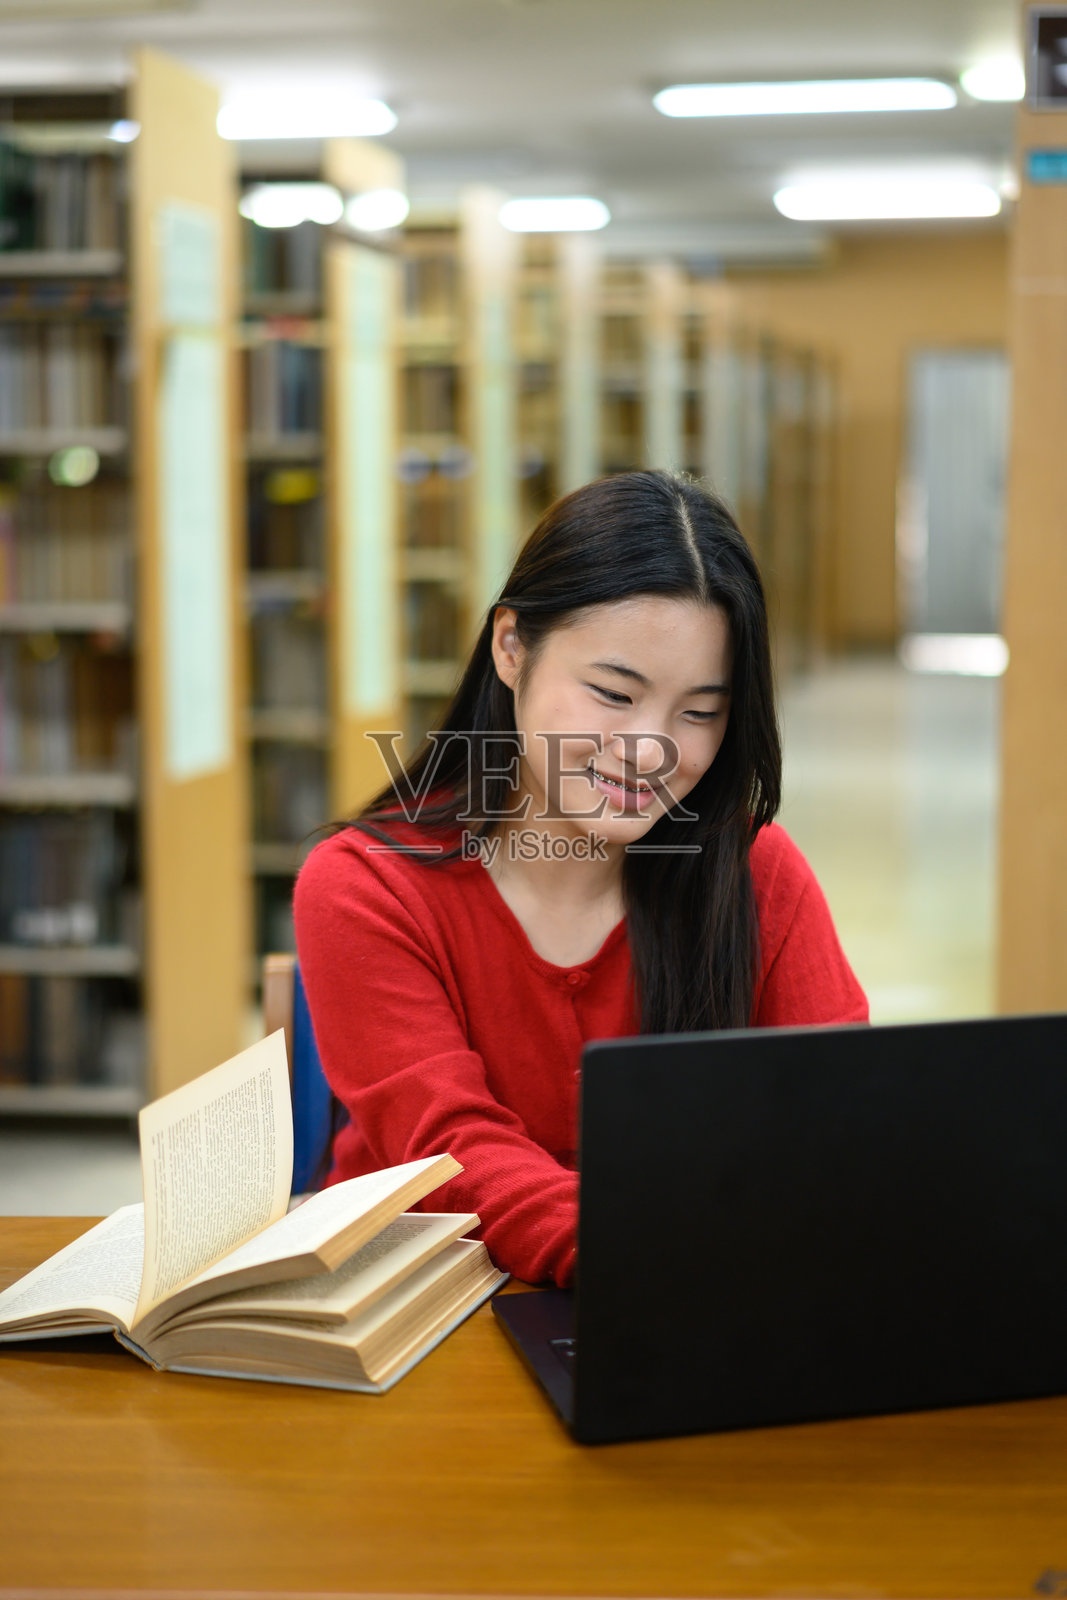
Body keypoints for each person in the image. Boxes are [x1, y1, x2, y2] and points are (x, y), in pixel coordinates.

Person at [294, 470, 867, 1286]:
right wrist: (653, 1250)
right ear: (510, 646)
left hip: (680, 1299)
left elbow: (832, 1124)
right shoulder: (366, 884)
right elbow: (452, 1149)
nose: (648, 749)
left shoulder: (755, 874)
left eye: (699, 712)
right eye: (612, 692)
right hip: (420, 1313)